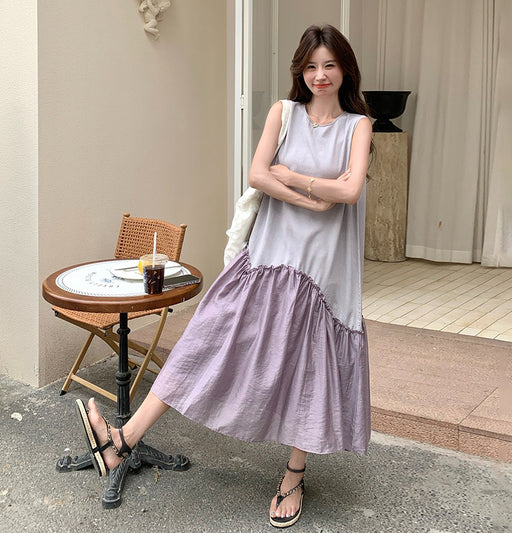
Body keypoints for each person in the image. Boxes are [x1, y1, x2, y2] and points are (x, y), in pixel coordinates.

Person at [77, 23, 372, 529]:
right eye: (310, 66)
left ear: (344, 68)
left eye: (329, 65)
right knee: (206, 338)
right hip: (267, 257)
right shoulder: (283, 113)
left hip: (322, 271)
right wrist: (313, 195)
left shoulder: (358, 126)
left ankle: (294, 475)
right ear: (300, 70)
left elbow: (349, 192)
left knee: (310, 364)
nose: (320, 75)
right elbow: (258, 174)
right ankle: (123, 441)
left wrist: (291, 177)